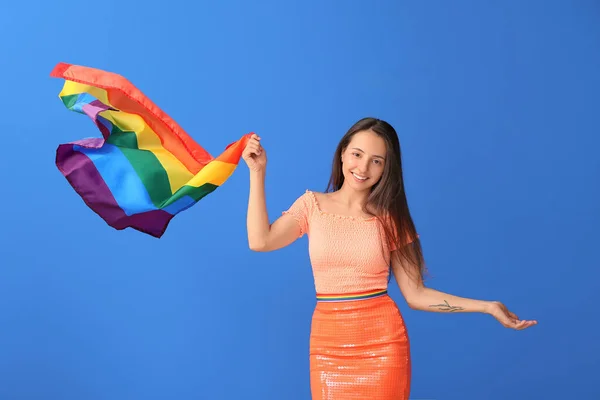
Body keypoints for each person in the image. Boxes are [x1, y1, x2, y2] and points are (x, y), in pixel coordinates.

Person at [242, 117, 537, 400]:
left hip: (382, 346)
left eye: (376, 160)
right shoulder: (311, 205)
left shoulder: (392, 220)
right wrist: (258, 173)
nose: (363, 167)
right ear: (343, 153)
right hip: (327, 345)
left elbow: (416, 294)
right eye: (357, 154)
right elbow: (260, 241)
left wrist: (487, 307)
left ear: (386, 168)